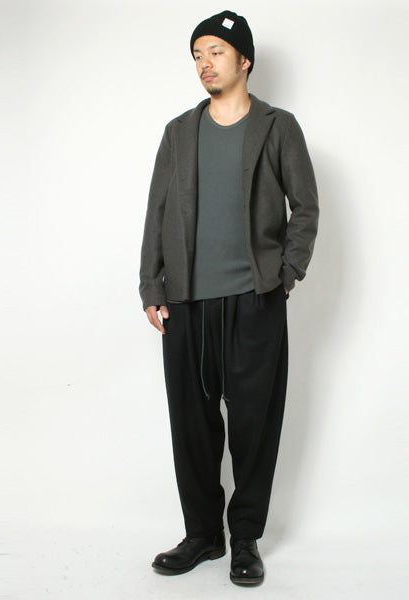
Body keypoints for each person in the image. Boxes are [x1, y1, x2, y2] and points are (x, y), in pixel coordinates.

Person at [139, 9, 319, 586]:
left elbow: (305, 207)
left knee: (253, 427)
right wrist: (150, 285)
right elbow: (157, 212)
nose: (204, 64)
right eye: (197, 55)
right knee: (192, 427)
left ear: (245, 60)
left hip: (254, 300)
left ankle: (244, 538)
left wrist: (286, 273)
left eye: (215, 51)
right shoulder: (178, 132)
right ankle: (202, 536)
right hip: (186, 304)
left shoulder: (278, 127)